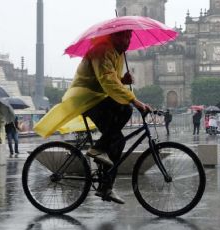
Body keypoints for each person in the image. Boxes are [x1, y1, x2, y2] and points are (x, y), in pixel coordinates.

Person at [34, 30, 152, 204]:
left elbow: (110, 79)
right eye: (124, 37)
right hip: (85, 97)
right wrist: (136, 101)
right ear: (114, 36)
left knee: (117, 141)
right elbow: (107, 81)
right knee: (126, 110)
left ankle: (106, 186)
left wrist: (122, 80)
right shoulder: (102, 50)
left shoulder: (117, 53)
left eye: (130, 37)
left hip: (98, 97)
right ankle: (98, 149)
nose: (128, 41)